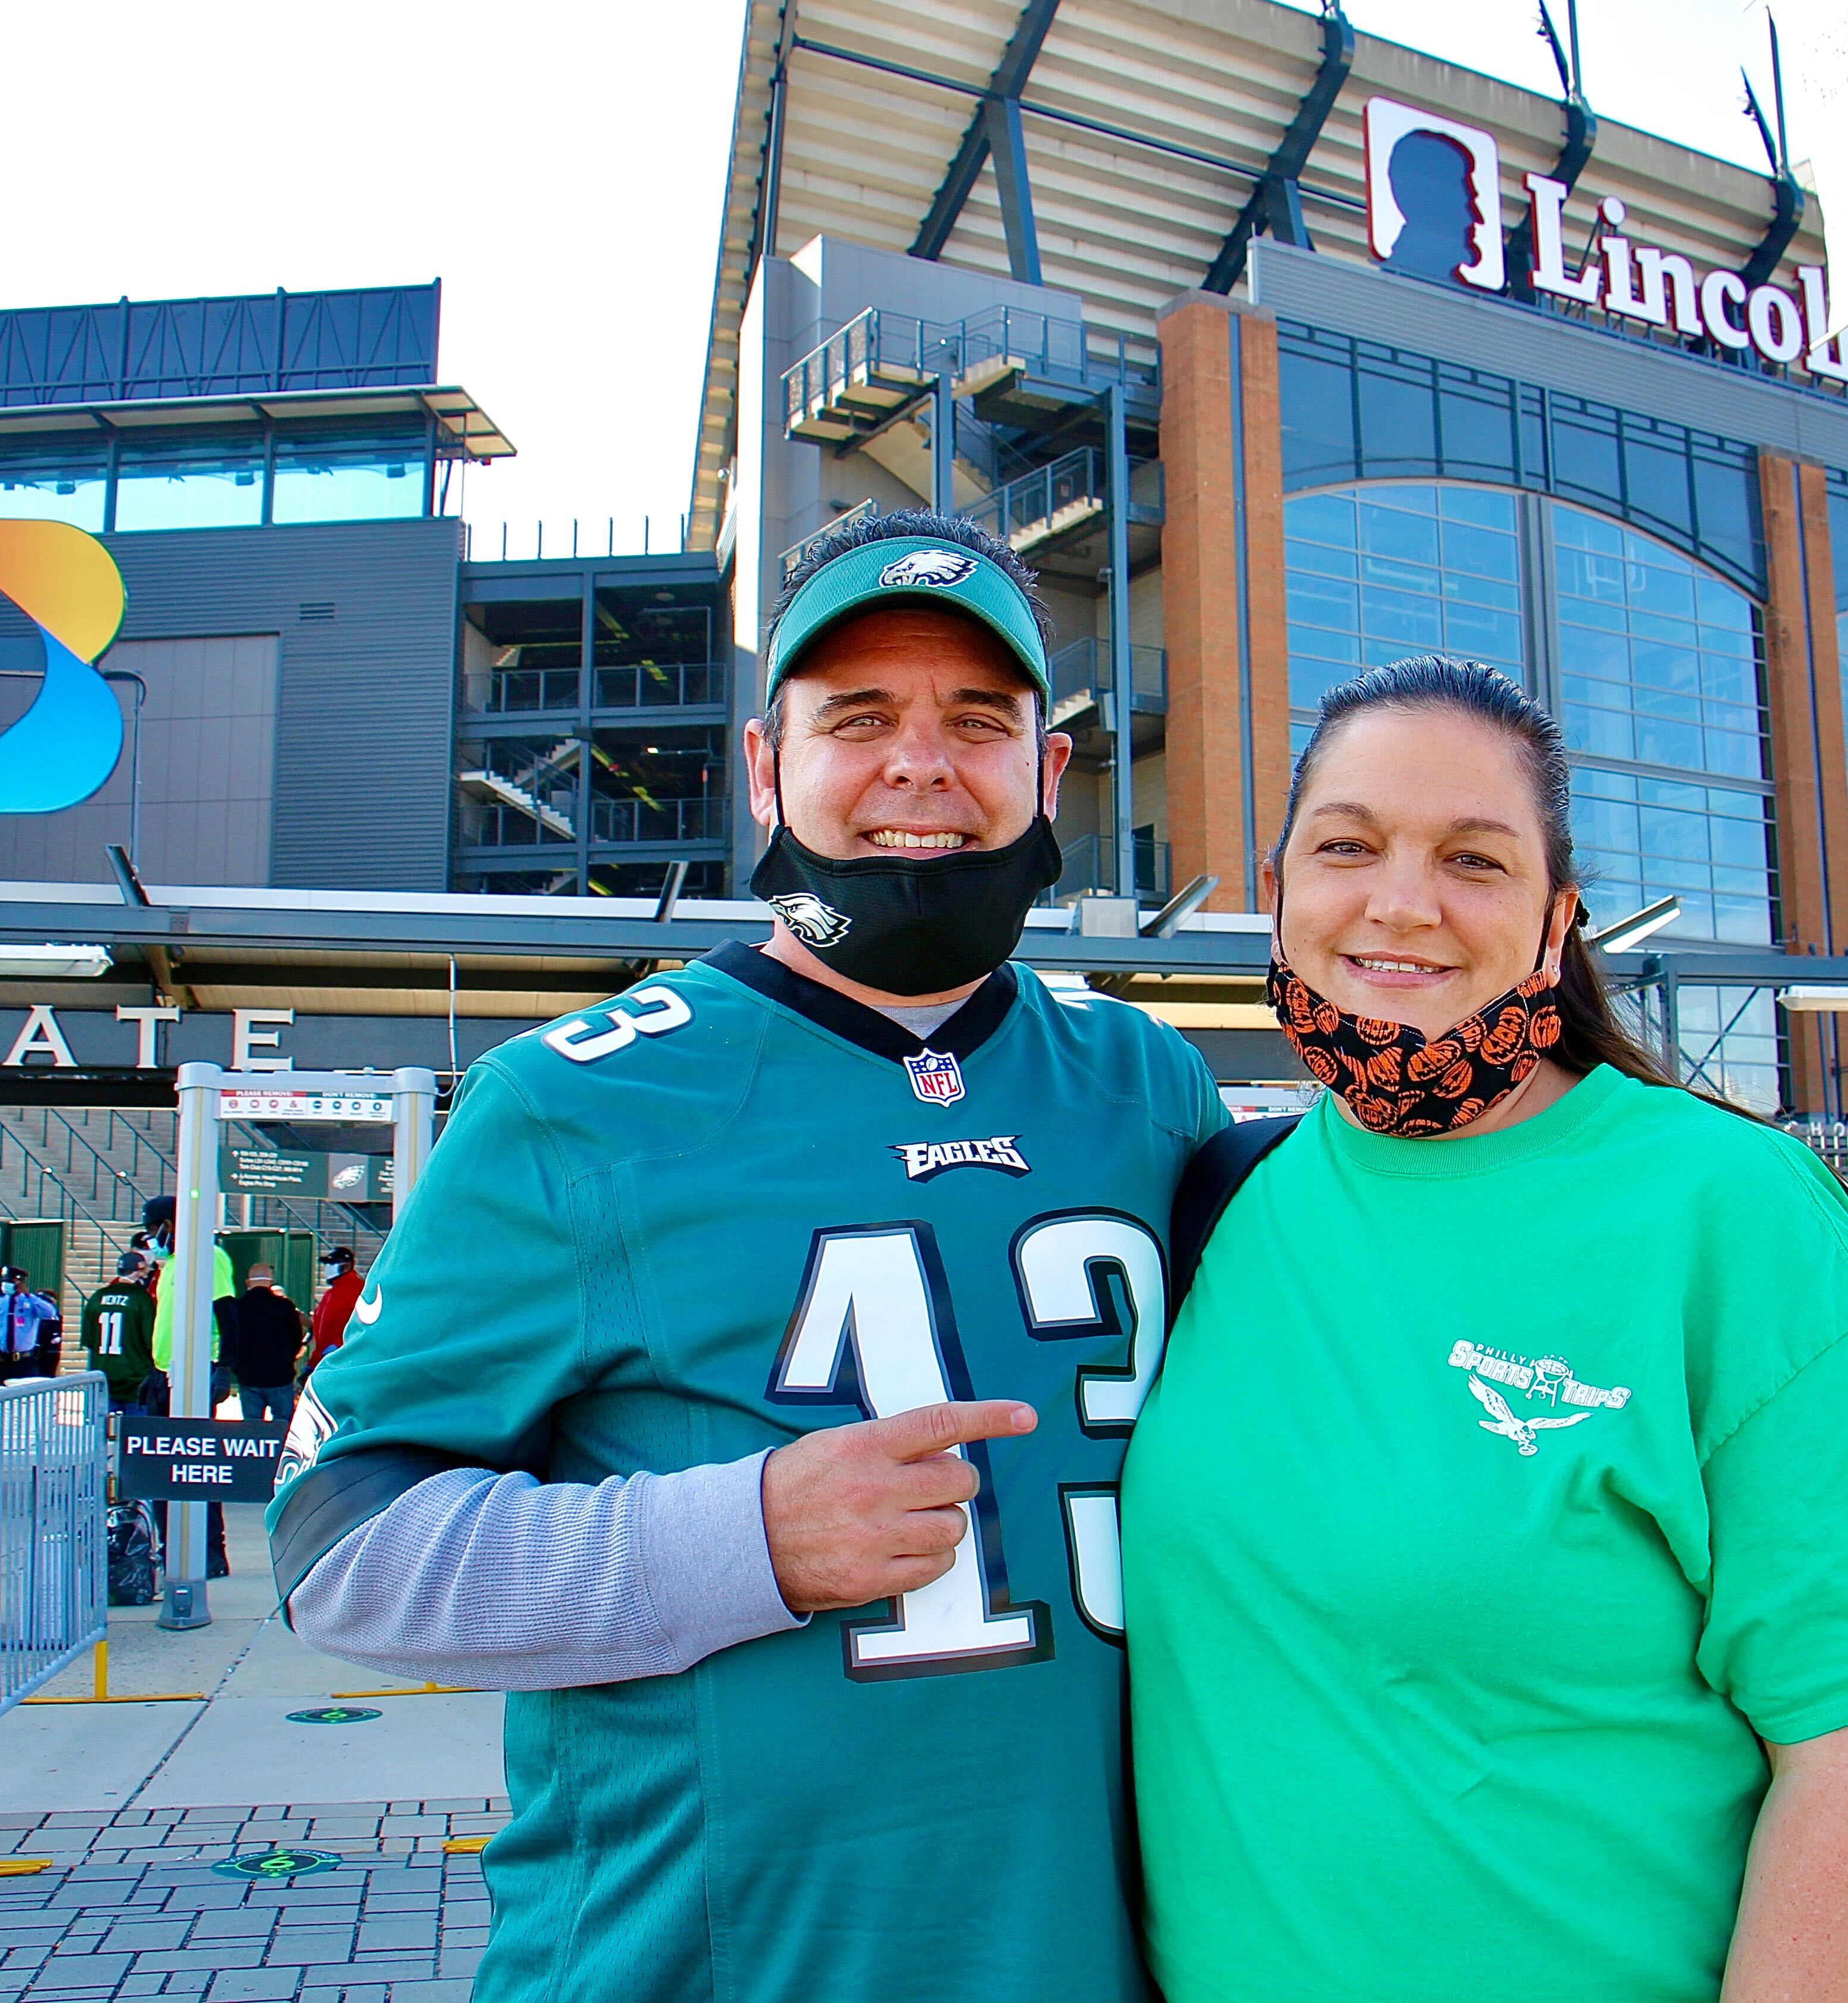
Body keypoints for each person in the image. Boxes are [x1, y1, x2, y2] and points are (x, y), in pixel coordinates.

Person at [270, 510, 1227, 2002]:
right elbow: (338, 1546)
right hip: (708, 1960)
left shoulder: (1146, 1085)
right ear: (767, 762)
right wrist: (744, 1538)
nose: (921, 762)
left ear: (1047, 770)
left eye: (976, 719)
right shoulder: (575, 1099)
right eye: (860, 717)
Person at [1123, 659, 1848, 2003]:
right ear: (1282, 888)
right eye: (1346, 845)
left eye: (1471, 859)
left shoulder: (1727, 1212)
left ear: (1555, 924)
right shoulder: (1227, 1202)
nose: (1399, 900)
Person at [139, 1195, 234, 1581]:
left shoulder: (206, 1257)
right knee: (164, 1470)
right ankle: (171, 1547)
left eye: (152, 1230)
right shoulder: (172, 1265)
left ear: (168, 1224)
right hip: (166, 1373)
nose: (150, 1239)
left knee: (197, 1467)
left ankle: (209, 1550)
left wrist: (224, 1367)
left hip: (196, 1374)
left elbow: (228, 1315)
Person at [223, 1262, 305, 1425]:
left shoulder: (238, 1308)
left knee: (252, 1430)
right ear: (271, 1283)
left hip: (249, 1377)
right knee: (283, 1429)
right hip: (280, 1377)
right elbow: (296, 1339)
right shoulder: (285, 1307)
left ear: (248, 1283)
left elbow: (231, 1340)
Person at [81, 1250, 160, 1410]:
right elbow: (150, 1341)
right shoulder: (141, 1299)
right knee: (134, 1432)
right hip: (135, 1379)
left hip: (102, 1376)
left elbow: (88, 1340)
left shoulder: (98, 1297)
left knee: (102, 1432)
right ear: (140, 1273)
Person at [0, 1265, 62, 1384]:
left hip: (24, 1360)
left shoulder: (31, 1303)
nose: (6, 1285)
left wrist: (29, 1295)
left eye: (11, 1282)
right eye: (5, 1282)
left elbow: (49, 1313)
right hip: (0, 1360)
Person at [300, 1246, 363, 1380]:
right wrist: (313, 1363)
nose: (327, 1267)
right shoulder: (331, 1294)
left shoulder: (357, 1290)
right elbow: (322, 1332)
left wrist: (338, 1346)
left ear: (345, 1266)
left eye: (332, 1263)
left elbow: (360, 1325)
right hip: (328, 1360)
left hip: (345, 1360)